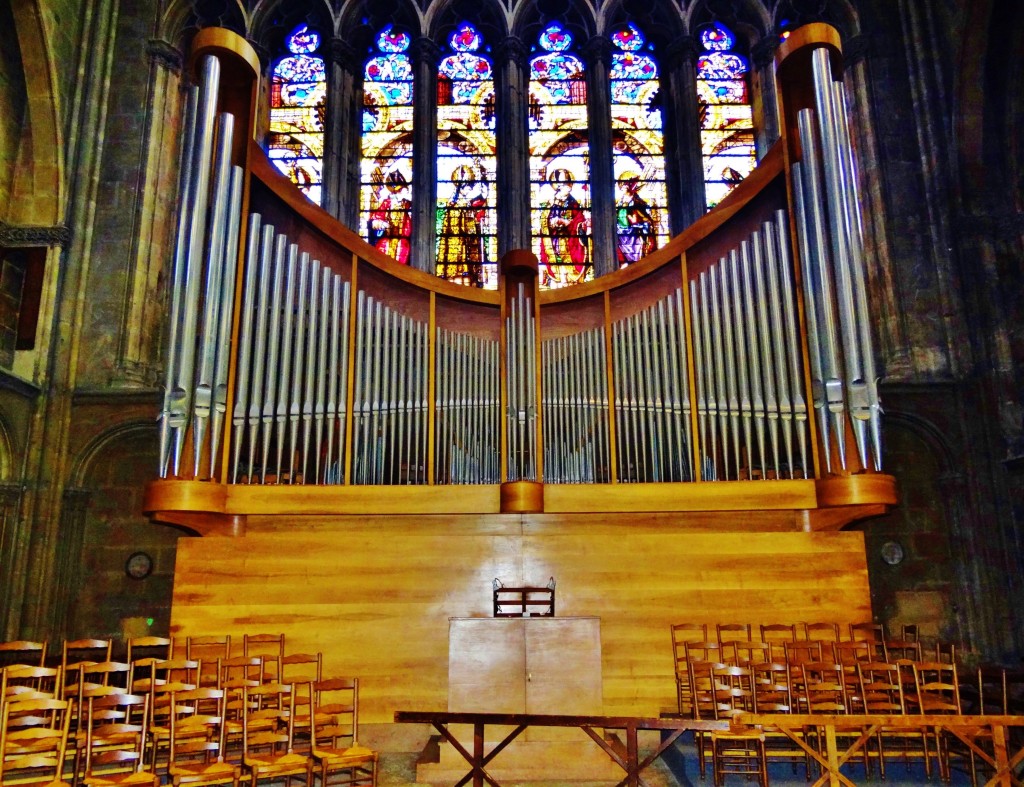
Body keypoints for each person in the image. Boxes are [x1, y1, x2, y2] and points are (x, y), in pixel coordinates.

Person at [437, 163, 488, 285]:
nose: (470, 189)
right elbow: (453, 229)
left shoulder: (468, 203)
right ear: (461, 187)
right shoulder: (453, 206)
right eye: (468, 187)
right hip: (456, 242)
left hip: (468, 241)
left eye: (471, 186)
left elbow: (475, 215)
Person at [539, 168, 589, 285]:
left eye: (568, 182)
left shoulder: (573, 203)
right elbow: (544, 220)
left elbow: (579, 221)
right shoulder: (550, 203)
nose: (567, 186)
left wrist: (565, 222)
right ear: (558, 185)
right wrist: (551, 223)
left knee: (568, 270)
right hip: (553, 241)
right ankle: (559, 282)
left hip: (569, 242)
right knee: (558, 267)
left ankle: (569, 283)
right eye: (563, 183)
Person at [368, 170, 412, 263]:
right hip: (387, 241)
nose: (404, 192)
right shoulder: (386, 203)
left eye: (404, 189)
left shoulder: (408, 205)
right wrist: (382, 224)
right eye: (401, 190)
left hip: (402, 242)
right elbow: (374, 220)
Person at [615, 171, 658, 265]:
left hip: (634, 234)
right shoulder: (619, 203)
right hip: (621, 234)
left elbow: (646, 219)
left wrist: (637, 223)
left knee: (637, 257)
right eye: (622, 186)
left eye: (626, 185)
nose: (623, 187)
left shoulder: (638, 202)